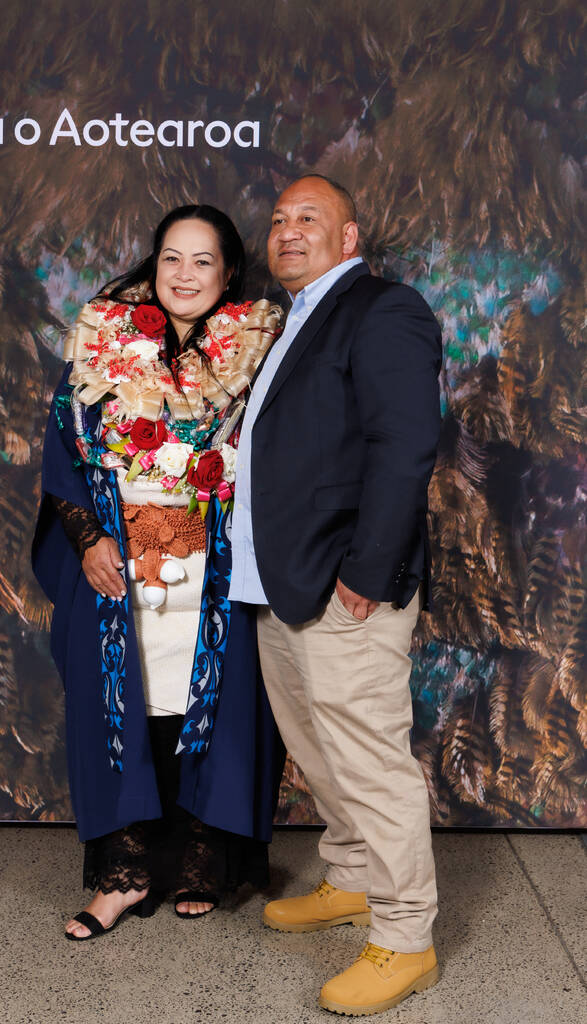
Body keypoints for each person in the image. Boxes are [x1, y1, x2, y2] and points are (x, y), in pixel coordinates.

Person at [32, 204, 284, 940]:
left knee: (225, 706)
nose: (184, 275)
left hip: (216, 564)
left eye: (203, 261)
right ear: (153, 263)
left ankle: (209, 851)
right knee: (113, 700)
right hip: (119, 555)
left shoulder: (255, 353)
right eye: (171, 258)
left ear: (228, 272)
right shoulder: (98, 346)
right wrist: (85, 538)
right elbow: (63, 450)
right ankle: (124, 870)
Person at [229, 175, 442, 1016]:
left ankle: (404, 938)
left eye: (307, 219)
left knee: (368, 759)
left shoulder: (382, 309)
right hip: (278, 582)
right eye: (278, 220)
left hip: (343, 582)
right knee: (316, 750)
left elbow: (404, 445)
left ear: (348, 237)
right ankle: (352, 879)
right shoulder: (293, 319)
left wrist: (367, 570)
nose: (286, 231)